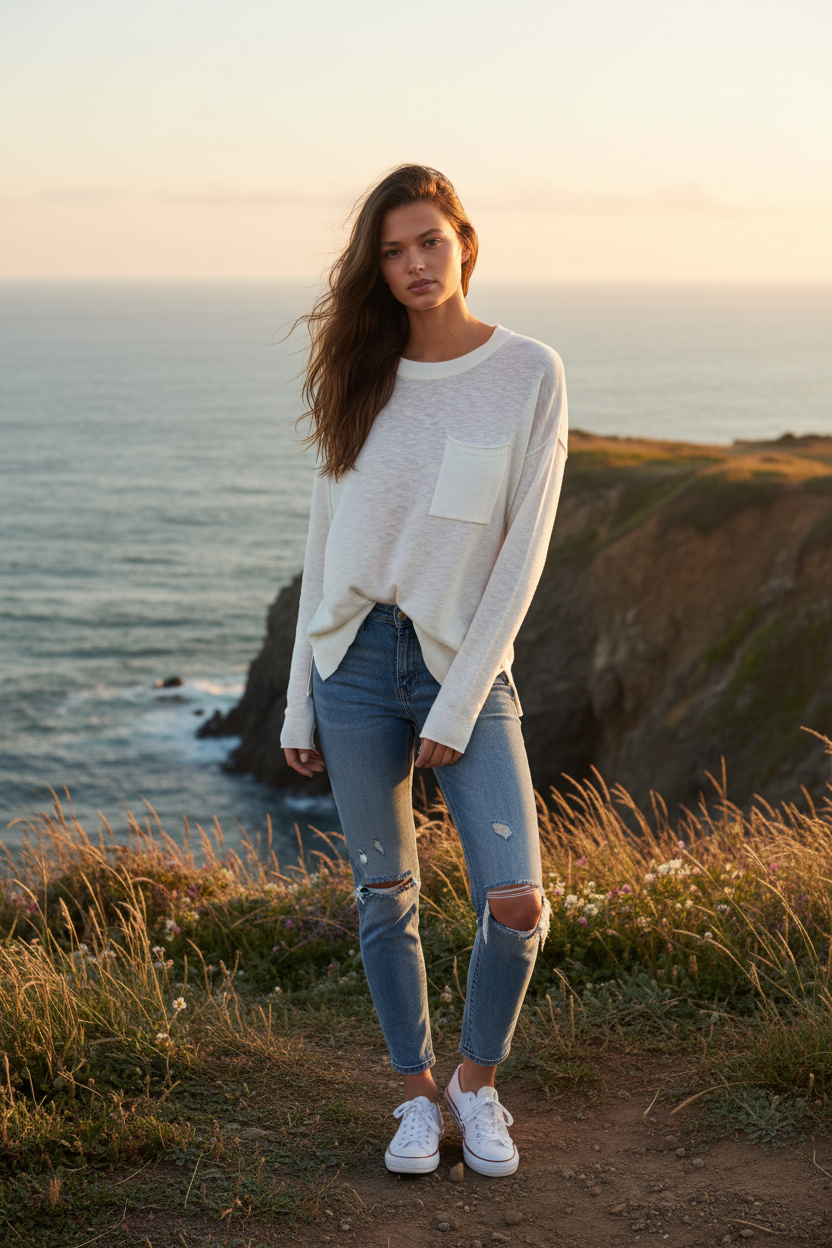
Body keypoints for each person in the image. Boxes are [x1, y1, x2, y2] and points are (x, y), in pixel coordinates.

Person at [281, 164, 568, 1178]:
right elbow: (324, 540)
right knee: (383, 892)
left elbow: (521, 552)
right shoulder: (357, 372)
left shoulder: (528, 368)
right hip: (350, 663)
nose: (411, 264)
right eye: (392, 250)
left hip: (464, 667)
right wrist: (296, 703)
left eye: (428, 242)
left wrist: (457, 698)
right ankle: (412, 1098)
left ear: (464, 240)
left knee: (517, 900)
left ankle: (474, 1086)